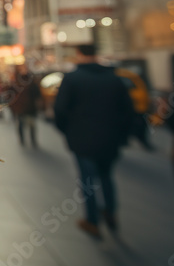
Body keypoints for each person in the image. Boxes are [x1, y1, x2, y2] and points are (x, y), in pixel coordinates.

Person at [53, 44, 134, 238]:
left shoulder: (72, 79)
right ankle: (110, 211)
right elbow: (128, 111)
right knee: (106, 176)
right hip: (110, 138)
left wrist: (68, 131)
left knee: (88, 180)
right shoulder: (115, 79)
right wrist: (121, 136)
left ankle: (92, 221)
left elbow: (60, 110)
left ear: (79, 54)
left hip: (82, 139)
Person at [7, 64, 40, 148]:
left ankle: (33, 140)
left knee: (31, 125)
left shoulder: (30, 80)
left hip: (30, 107)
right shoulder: (15, 81)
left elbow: (36, 93)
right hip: (20, 108)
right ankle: (23, 140)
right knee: (21, 124)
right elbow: (10, 95)